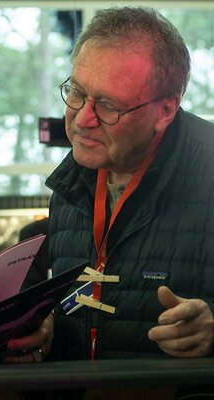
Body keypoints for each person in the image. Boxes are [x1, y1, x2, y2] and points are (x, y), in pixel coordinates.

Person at [42, 5, 214, 365]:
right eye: (77, 92)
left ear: (165, 111)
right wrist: (46, 331)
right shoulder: (69, 182)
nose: (83, 119)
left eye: (108, 105)